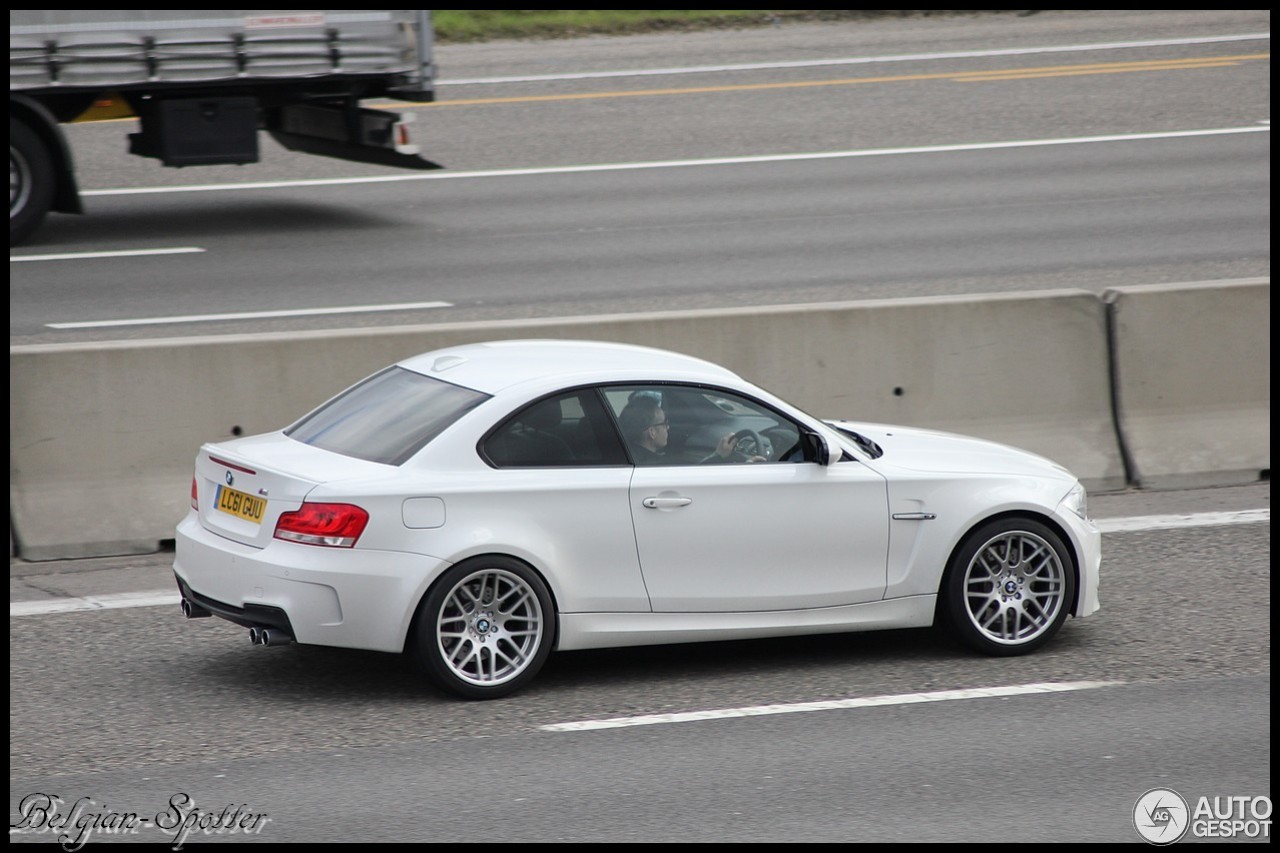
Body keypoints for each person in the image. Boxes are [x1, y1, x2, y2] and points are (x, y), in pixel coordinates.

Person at [617, 395, 746, 465]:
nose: (668, 427)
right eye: (664, 423)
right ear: (652, 432)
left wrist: (717, 455)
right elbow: (695, 480)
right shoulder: (656, 466)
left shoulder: (628, 457)